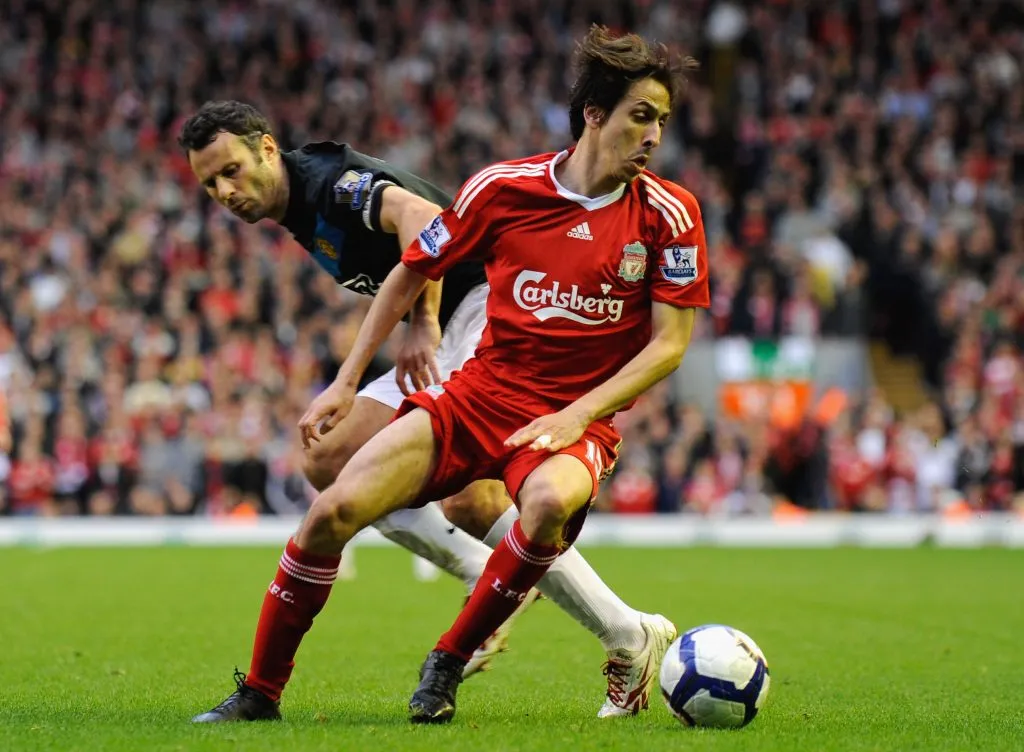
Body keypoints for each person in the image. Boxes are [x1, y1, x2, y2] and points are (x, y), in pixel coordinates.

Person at [182, 100, 672, 719]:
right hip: (459, 310)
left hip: (484, 305)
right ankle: (601, 620)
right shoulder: (298, 208)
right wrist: (350, 377)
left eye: (231, 170)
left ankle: (554, 605)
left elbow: (422, 218)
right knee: (331, 458)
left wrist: (423, 321)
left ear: (268, 149)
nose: (225, 190)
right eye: (210, 183)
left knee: (471, 501)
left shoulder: (329, 184)